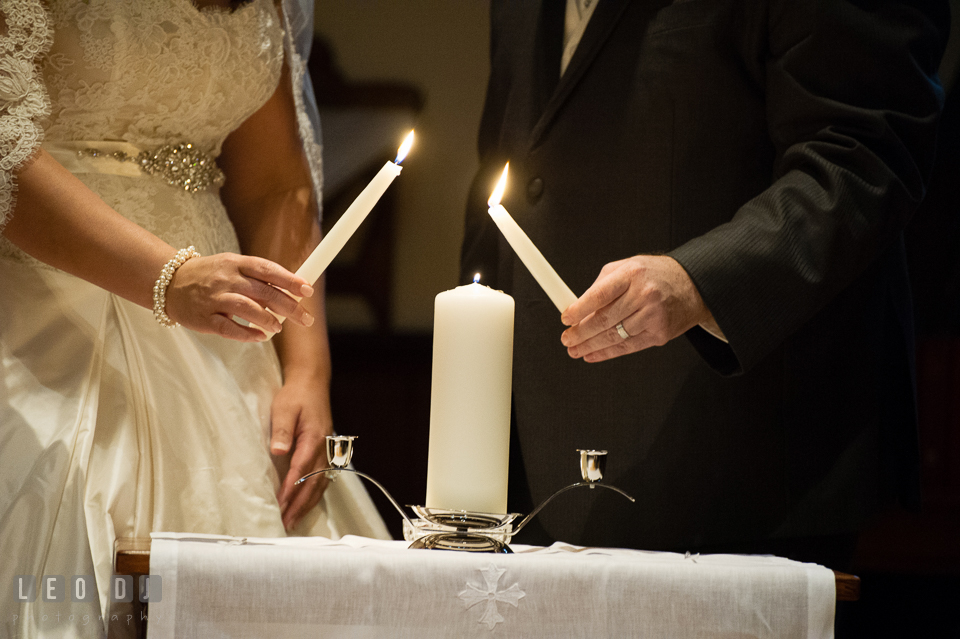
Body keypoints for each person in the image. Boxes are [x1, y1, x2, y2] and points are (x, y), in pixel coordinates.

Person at [461, 0, 949, 569]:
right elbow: (508, 175)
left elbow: (862, 156)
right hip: (530, 490)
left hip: (748, 477)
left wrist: (699, 282)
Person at [0, 1, 388, 636]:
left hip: (225, 330)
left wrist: (308, 371)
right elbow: (5, 145)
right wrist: (167, 277)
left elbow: (275, 184)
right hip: (44, 293)